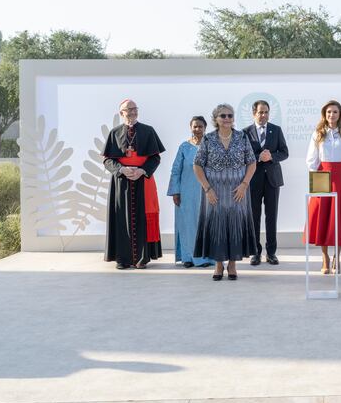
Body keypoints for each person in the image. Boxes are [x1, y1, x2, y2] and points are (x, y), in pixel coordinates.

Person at [193, 103, 257, 281]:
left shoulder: (242, 137)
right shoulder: (208, 139)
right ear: (216, 119)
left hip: (238, 192)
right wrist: (207, 189)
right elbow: (197, 165)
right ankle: (219, 264)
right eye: (223, 116)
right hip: (215, 192)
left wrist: (244, 184)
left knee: (236, 225)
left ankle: (233, 264)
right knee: (217, 226)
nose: (227, 118)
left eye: (230, 115)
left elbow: (252, 162)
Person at [103, 99, 166, 269]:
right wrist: (121, 169)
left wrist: (142, 170)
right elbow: (108, 159)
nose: (131, 112)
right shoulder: (114, 133)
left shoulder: (148, 131)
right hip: (121, 182)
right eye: (127, 109)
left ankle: (142, 258)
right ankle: (122, 259)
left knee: (143, 219)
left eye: (134, 108)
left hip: (143, 181)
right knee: (121, 219)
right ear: (121, 113)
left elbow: (155, 157)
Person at [305, 100, 341, 274]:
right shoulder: (318, 133)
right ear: (325, 114)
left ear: (340, 114)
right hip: (323, 176)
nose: (332, 115)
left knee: (339, 217)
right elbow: (311, 159)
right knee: (322, 216)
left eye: (335, 112)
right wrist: (314, 178)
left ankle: (337, 257)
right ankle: (324, 257)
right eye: (329, 112)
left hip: (340, 177)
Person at [243, 100, 289, 266]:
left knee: (271, 217)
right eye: (260, 112)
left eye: (266, 112)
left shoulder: (276, 130)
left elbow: (285, 152)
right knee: (254, 217)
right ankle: (255, 252)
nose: (263, 115)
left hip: (272, 180)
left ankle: (271, 253)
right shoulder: (245, 132)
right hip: (253, 180)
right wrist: (257, 157)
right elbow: (241, 156)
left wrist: (272, 156)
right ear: (254, 113)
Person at [167, 116, 213, 268]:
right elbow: (175, 170)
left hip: (206, 192)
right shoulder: (184, 147)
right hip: (186, 193)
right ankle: (188, 257)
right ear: (190, 127)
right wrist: (175, 191)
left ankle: (205, 258)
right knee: (187, 225)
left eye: (200, 126)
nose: (197, 129)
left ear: (205, 128)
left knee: (205, 225)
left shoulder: (211, 146)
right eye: (195, 126)